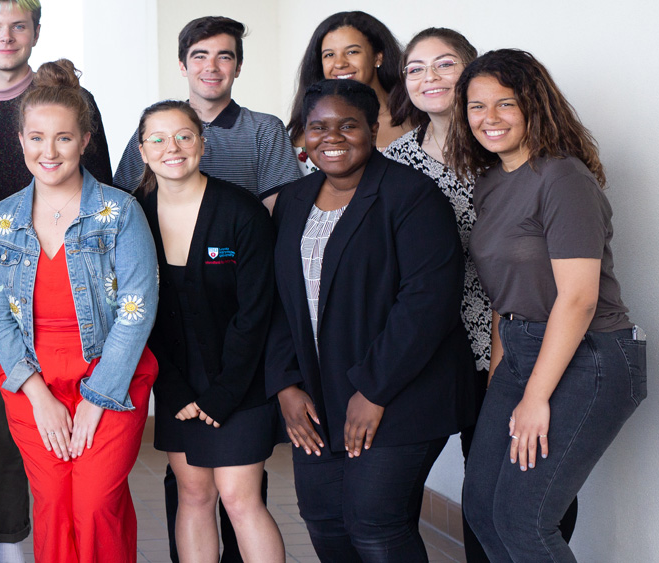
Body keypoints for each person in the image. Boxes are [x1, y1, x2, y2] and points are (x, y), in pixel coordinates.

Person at [385, 29, 580, 562]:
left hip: (509, 345)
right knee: (413, 496)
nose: (430, 78)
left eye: (445, 64)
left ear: (472, 73)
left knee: (518, 489)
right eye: (416, 68)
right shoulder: (392, 165)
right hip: (430, 347)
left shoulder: (507, 153)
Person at [266, 79, 475, 562]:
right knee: (324, 521)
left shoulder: (411, 196)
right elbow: (277, 299)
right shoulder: (294, 201)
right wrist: (285, 384)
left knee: (375, 525)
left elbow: (427, 303)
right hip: (316, 396)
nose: (331, 136)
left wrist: (375, 390)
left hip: (401, 392)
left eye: (347, 125)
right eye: (318, 126)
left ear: (372, 128)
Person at [0, 0, 113, 562]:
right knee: (10, 432)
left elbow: (106, 198)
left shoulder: (76, 105)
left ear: (36, 32)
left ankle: (73, 545)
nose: (6, 37)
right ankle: (14, 549)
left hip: (77, 295)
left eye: (18, 26)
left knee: (81, 432)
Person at [452, 49, 646, 563]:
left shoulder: (563, 178)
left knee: (523, 522)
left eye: (505, 104)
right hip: (518, 349)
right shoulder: (492, 181)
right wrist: (501, 378)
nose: (488, 119)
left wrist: (535, 397)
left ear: (535, 106)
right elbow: (502, 294)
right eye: (476, 106)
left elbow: (579, 299)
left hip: (590, 357)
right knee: (480, 509)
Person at [0, 59, 159, 563]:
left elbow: (136, 310)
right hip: (34, 384)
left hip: (110, 377)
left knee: (96, 502)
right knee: (55, 503)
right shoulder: (1, 220)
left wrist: (98, 398)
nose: (48, 151)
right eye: (36, 138)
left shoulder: (119, 212)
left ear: (84, 140)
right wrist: (38, 396)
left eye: (63, 138)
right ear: (21, 141)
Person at [134, 100, 284, 563]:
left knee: (240, 498)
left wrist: (224, 392)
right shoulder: (133, 216)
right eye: (157, 139)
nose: (172, 148)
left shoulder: (241, 211)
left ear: (202, 141)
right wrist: (173, 388)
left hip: (242, 380)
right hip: (177, 381)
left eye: (183, 135)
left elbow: (257, 311)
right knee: (193, 494)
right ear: (142, 151)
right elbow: (139, 313)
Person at [113, 16, 298, 213]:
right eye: (200, 56)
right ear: (183, 66)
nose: (211, 67)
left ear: (238, 67)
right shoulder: (154, 128)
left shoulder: (265, 130)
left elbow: (280, 213)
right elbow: (121, 202)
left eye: (224, 57)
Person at [287, 11, 410, 174]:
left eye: (352, 52)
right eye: (329, 55)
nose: (339, 63)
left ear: (378, 57)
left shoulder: (416, 121)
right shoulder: (299, 128)